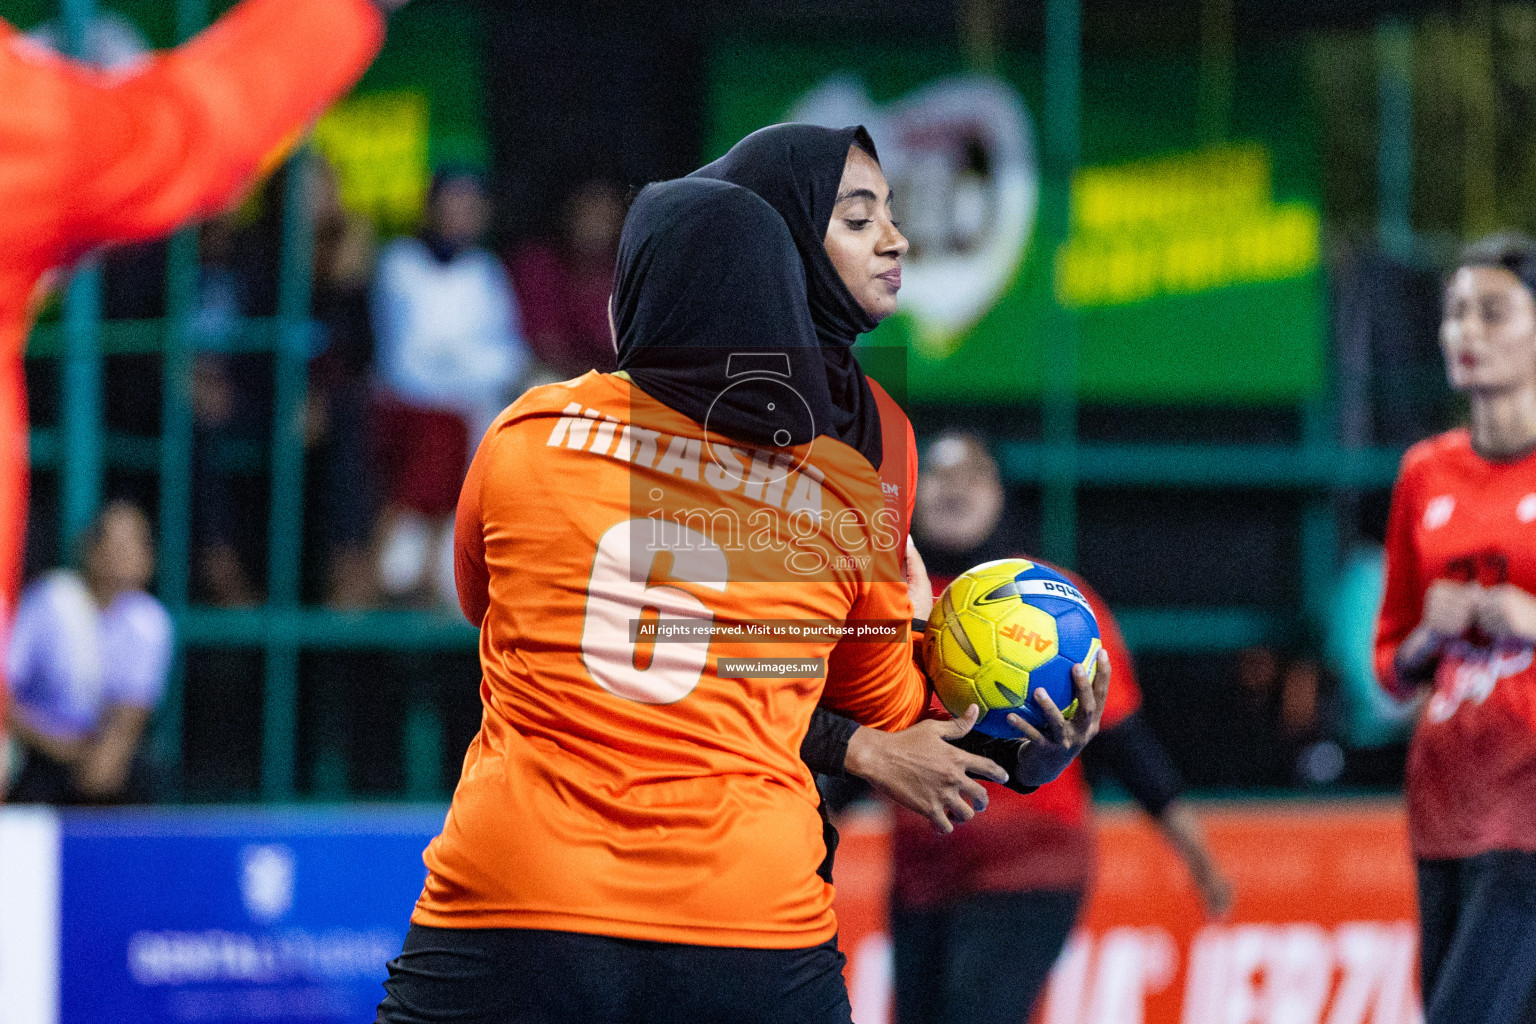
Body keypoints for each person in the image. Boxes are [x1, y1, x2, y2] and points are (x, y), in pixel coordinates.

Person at [375, 178, 1109, 1024]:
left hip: (514, 897)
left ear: (630, 306)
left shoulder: (526, 435)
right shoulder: (843, 490)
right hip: (747, 917)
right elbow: (899, 715)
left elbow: (481, 600)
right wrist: (1021, 734)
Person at [0, 0, 399, 738]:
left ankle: (328, 566)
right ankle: (228, 566)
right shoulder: (23, 124)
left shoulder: (274, 265)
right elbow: (188, 132)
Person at [692, 123, 1034, 839]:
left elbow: (875, 701)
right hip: (644, 865)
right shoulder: (685, 410)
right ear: (778, 243)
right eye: (857, 220)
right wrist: (858, 748)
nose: (895, 241)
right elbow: (680, 669)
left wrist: (1033, 744)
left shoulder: (884, 431)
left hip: (782, 869)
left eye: (893, 216)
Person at [890, 432, 1232, 1024]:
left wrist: (1195, 851)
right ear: (913, 496)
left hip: (1031, 868)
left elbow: (1127, 743)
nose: (956, 489)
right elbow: (854, 743)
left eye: (975, 475)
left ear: (1001, 496)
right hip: (920, 873)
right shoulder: (889, 603)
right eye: (941, 476)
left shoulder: (1052, 603)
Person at [1375, 234, 1536, 1024]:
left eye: (1492, 312)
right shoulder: (1424, 473)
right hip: (1444, 803)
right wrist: (1426, 641)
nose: (1465, 331)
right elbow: (1389, 663)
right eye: (1455, 314)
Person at [371, 167, 529, 607]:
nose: (460, 213)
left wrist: (461, 363)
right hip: (409, 419)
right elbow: (407, 360)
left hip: (477, 418)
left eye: (470, 204)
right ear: (432, 204)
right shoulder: (398, 262)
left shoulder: (487, 273)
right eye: (452, 201)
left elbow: (506, 358)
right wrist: (464, 363)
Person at [3, 501, 171, 804]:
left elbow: (131, 711)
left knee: (144, 772)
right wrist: (56, 744)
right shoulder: (51, 601)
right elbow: (5, 691)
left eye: (133, 545)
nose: (122, 556)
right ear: (89, 550)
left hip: (101, 752)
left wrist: (104, 756)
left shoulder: (148, 621)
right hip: (39, 751)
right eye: (113, 544)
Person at [507, 178, 626, 378]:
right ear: (569, 213)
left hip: (618, 384)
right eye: (587, 211)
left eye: (603, 215)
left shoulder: (631, 269)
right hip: (558, 379)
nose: (594, 224)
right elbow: (547, 348)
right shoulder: (538, 264)